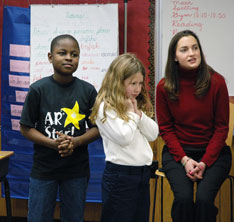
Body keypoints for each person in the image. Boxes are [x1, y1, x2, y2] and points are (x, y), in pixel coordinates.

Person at [20, 34, 99, 222]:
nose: (69, 58)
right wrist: (52, 143)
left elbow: (98, 128)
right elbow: (26, 128)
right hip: (44, 169)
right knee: (38, 218)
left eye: (74, 54)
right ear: (50, 57)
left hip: (76, 170)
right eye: (62, 53)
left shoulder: (88, 91)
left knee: (74, 217)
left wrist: (76, 141)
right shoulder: (38, 89)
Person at [155, 30, 232, 222]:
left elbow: (222, 128)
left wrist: (204, 162)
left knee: (205, 200)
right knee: (183, 199)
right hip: (178, 155)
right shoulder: (164, 87)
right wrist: (185, 160)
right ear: (174, 56)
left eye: (195, 48)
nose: (192, 53)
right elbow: (165, 129)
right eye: (184, 49)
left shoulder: (217, 82)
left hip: (214, 154)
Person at [90, 53, 159, 222]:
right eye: (132, 83)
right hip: (120, 177)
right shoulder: (106, 107)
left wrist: (139, 115)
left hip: (141, 174)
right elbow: (124, 137)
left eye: (140, 83)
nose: (137, 89)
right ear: (118, 82)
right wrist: (131, 114)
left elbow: (153, 133)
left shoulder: (134, 104)